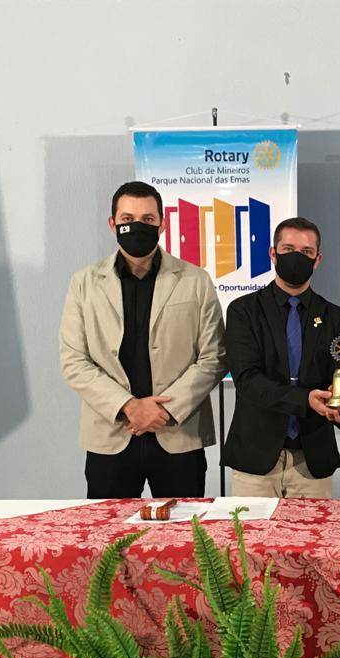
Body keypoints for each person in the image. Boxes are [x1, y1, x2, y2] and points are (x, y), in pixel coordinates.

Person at [60, 181, 226, 499]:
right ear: (113, 224)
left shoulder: (196, 280)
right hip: (111, 435)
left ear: (162, 224)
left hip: (178, 433)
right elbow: (74, 360)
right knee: (110, 531)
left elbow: (214, 357)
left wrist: (161, 410)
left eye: (148, 219)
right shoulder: (84, 283)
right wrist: (129, 406)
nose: (137, 226)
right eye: (128, 219)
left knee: (185, 530)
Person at [223, 217, 340, 497]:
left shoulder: (334, 316)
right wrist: (304, 399)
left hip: (312, 460)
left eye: (307, 252)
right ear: (273, 253)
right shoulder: (243, 311)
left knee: (315, 530)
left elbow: (339, 377)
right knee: (249, 529)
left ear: (317, 259)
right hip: (256, 459)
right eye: (288, 249)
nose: (297, 257)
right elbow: (247, 380)